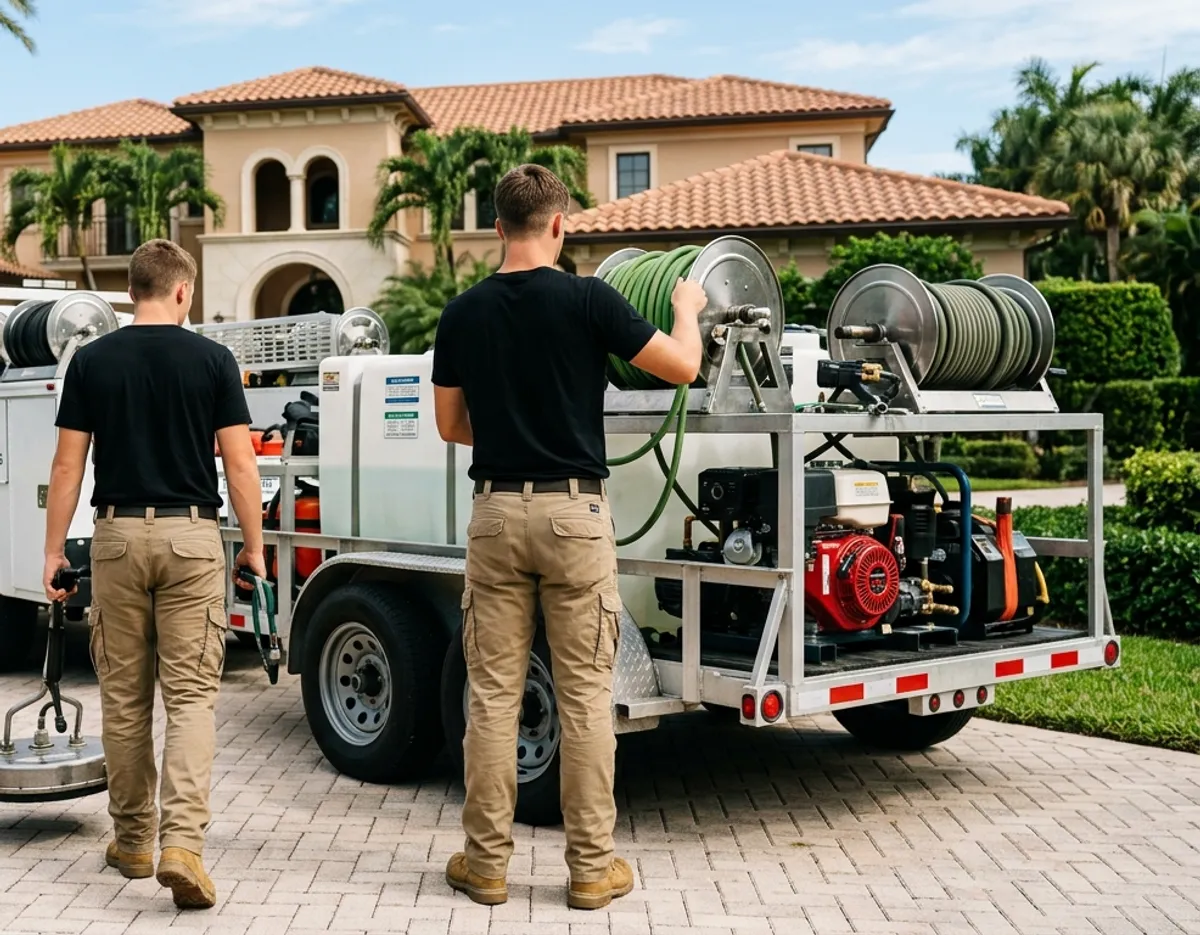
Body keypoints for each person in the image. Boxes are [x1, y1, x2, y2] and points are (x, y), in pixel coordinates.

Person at [432, 164, 705, 910]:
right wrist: (687, 305)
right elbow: (683, 367)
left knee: (492, 694)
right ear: (560, 225)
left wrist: (512, 425)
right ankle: (590, 870)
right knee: (585, 694)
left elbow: (451, 425)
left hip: (493, 513)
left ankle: (485, 865)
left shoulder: (461, 313)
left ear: (497, 229)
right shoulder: (589, 300)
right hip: (574, 515)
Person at [42, 239, 266, 910]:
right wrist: (254, 548)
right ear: (180, 291)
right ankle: (182, 845)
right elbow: (241, 464)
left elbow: (66, 466)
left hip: (114, 536)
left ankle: (134, 839)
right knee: (192, 696)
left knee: (125, 693)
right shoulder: (213, 359)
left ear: (134, 290)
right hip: (192, 535)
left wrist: (54, 552)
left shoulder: (92, 359)